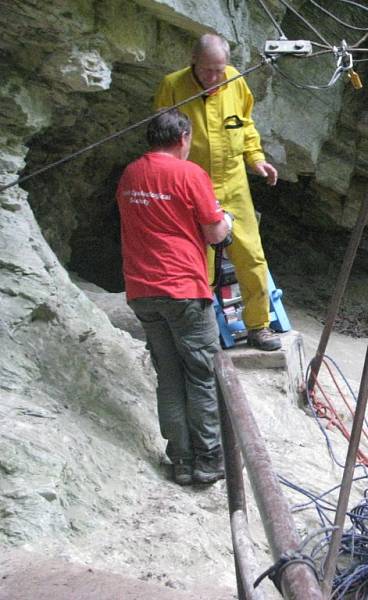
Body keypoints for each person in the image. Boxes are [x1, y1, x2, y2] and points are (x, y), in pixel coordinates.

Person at [116, 109, 231, 486]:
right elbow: (215, 232)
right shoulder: (189, 174)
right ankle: (208, 459)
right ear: (183, 137)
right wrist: (226, 220)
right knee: (201, 374)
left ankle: (180, 461)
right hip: (183, 288)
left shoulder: (131, 174)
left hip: (142, 290)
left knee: (169, 376)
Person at [153, 33, 281, 352]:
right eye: (208, 70)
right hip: (193, 185)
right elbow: (163, 136)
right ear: (193, 62)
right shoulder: (173, 85)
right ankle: (204, 331)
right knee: (201, 262)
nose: (214, 77)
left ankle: (259, 327)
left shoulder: (236, 80)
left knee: (251, 255)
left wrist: (257, 159)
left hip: (234, 180)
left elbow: (245, 123)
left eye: (220, 69)